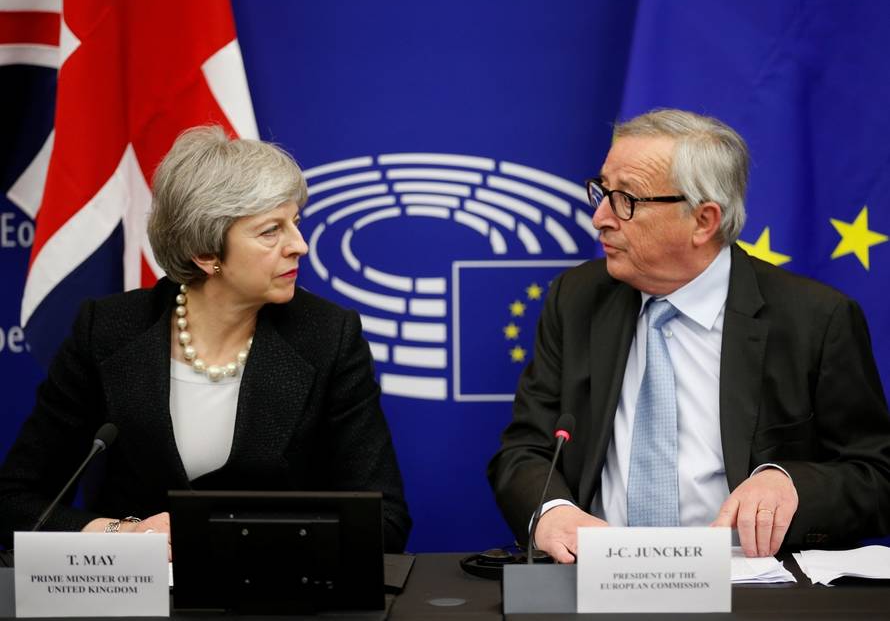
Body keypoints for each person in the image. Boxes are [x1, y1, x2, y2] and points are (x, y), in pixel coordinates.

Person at [488, 108, 890, 562]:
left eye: (627, 200)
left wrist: (791, 482)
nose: (600, 216)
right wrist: (553, 511)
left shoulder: (815, 319)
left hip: (750, 588)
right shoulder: (577, 299)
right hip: (598, 577)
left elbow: (876, 476)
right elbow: (525, 450)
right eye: (602, 191)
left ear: (704, 220)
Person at [0, 126, 411, 554]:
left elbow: (385, 521)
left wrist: (233, 547)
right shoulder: (106, 331)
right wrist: (123, 536)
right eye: (271, 230)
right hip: (135, 603)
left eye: (295, 223)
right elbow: (14, 502)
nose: (300, 246)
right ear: (206, 253)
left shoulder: (328, 336)